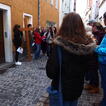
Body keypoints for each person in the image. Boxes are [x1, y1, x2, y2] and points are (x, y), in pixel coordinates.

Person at [46, 12, 97, 106]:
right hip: (76, 90)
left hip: (61, 90)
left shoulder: (59, 46)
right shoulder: (87, 47)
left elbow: (50, 73)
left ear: (64, 26)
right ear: (81, 26)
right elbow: (90, 68)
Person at [94, 12, 106, 106]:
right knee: (104, 84)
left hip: (104, 62)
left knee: (105, 85)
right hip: (102, 62)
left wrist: (96, 48)